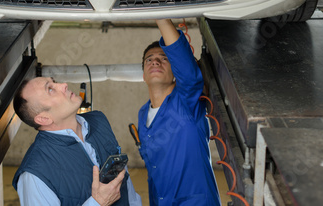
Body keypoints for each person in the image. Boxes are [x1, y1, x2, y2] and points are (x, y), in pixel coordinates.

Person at [12, 76, 142, 206]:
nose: (64, 84)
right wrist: (97, 203)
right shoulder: (34, 175)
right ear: (44, 119)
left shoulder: (99, 121)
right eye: (50, 89)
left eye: (55, 82)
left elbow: (125, 182)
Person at [137, 19, 221, 206]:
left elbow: (188, 73)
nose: (155, 61)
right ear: (143, 75)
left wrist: (160, 15)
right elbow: (154, 172)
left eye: (163, 58)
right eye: (148, 60)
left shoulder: (185, 99)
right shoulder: (143, 114)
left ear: (175, 72)